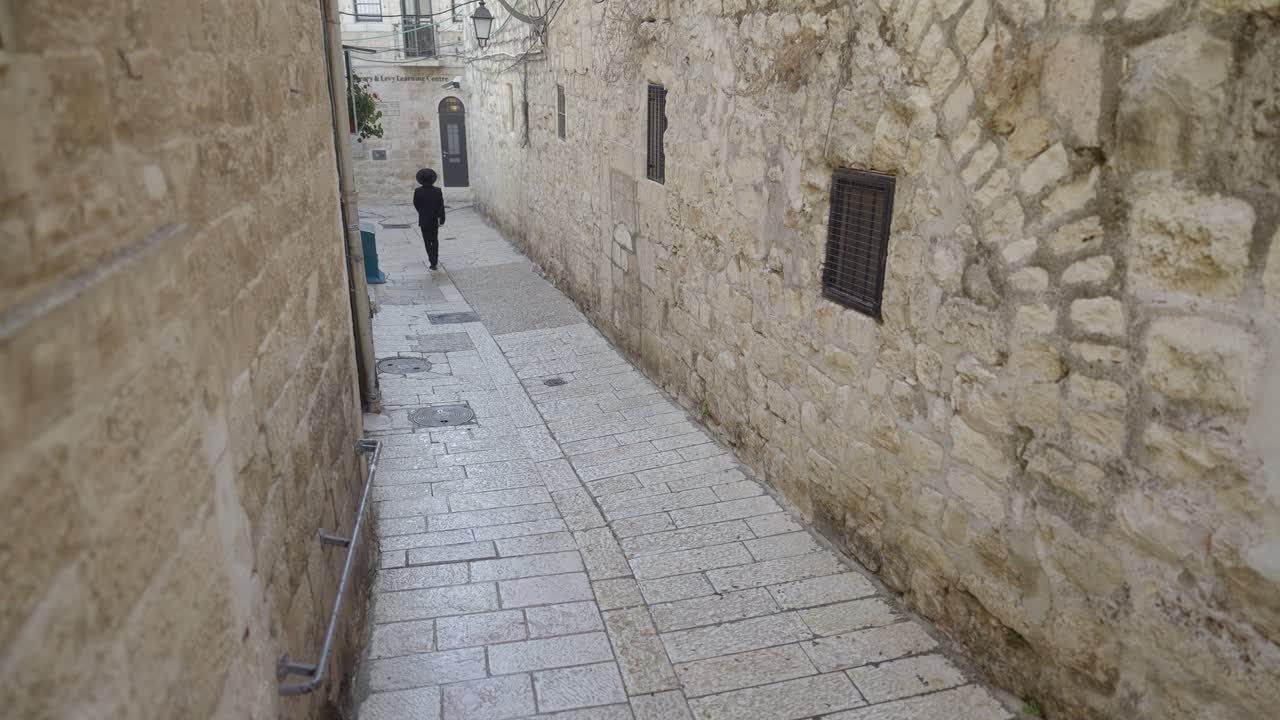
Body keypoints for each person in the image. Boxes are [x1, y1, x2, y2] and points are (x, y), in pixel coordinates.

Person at [413, 168, 446, 270]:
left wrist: (422, 212)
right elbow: (441, 205)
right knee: (434, 240)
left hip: (423, 220)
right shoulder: (437, 191)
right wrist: (442, 218)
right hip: (434, 220)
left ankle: (431, 261)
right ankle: (435, 259)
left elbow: (416, 204)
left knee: (427, 241)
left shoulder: (418, 191)